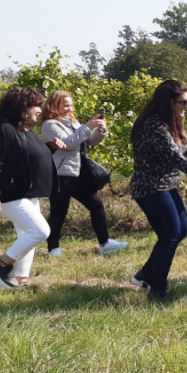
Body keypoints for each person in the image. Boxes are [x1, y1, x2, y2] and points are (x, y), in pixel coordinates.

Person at [129, 80, 187, 300]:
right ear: (168, 102)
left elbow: (183, 154)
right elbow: (171, 155)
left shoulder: (172, 121)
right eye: (183, 102)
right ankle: (157, 289)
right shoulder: (152, 124)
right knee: (169, 235)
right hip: (150, 186)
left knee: (181, 229)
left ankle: (145, 274)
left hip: (167, 184)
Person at [0, 87, 61, 289]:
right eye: (36, 106)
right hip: (11, 194)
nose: (40, 110)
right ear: (22, 107)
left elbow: (30, 154)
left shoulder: (24, 129)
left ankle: (19, 279)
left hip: (29, 193)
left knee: (27, 234)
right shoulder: (2, 129)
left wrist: (50, 148)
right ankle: (2, 265)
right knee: (40, 231)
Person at [39, 91, 128, 257]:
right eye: (65, 105)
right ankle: (53, 248)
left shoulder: (72, 122)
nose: (69, 108)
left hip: (78, 172)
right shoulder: (50, 125)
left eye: (70, 105)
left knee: (96, 205)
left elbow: (88, 141)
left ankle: (105, 243)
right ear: (54, 105)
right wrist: (87, 126)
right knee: (59, 210)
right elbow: (68, 144)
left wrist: (100, 131)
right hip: (61, 173)